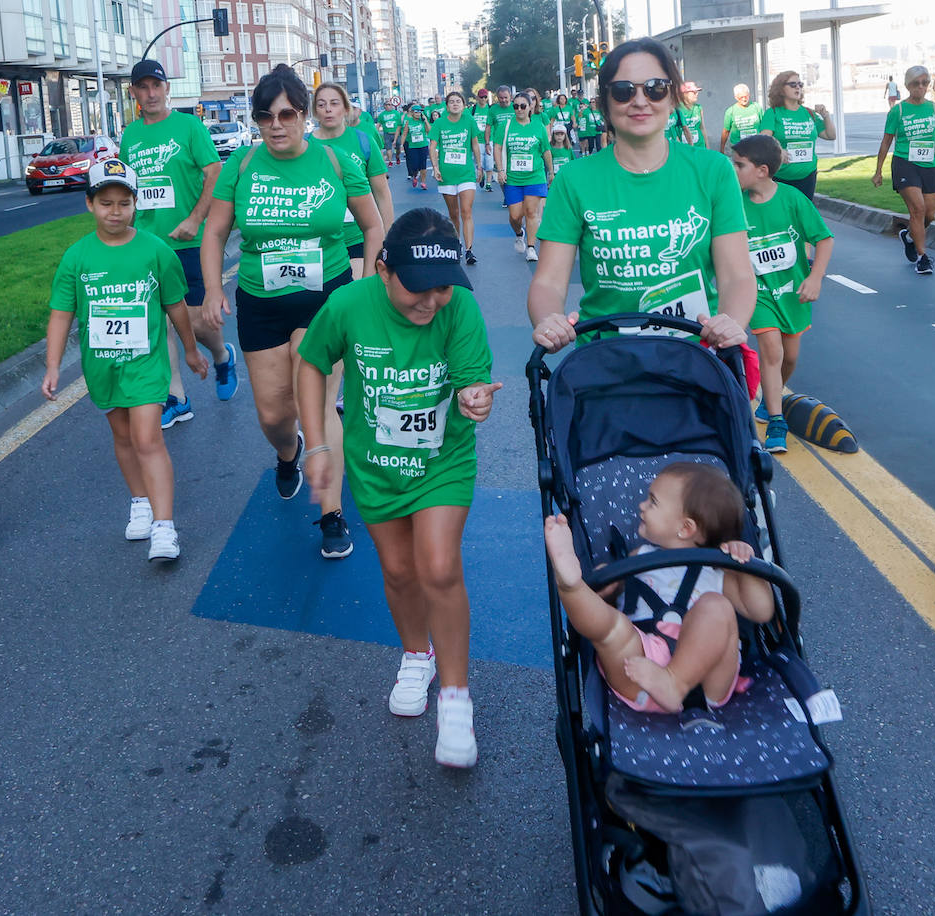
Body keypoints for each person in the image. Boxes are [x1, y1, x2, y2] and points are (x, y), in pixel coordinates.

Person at [296, 208, 500, 768]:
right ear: (383, 269)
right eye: (418, 288)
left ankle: (456, 698)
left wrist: (475, 400)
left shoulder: (460, 309)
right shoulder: (348, 305)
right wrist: (316, 444)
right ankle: (416, 656)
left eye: (442, 288)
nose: (431, 301)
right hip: (375, 463)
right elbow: (310, 363)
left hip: (442, 460)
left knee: (437, 565)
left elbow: (472, 384)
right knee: (399, 571)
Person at [200, 64, 383, 559]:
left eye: (287, 114)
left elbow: (373, 226)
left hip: (326, 297)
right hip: (261, 300)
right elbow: (215, 232)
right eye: (265, 116)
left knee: (318, 404)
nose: (276, 124)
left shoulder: (335, 160)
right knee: (275, 414)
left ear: (303, 115)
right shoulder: (241, 165)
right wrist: (214, 289)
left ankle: (330, 513)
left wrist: (364, 288)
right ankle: (288, 452)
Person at [529, 38, 755, 356]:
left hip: (695, 356)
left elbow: (737, 275)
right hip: (606, 359)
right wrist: (548, 320)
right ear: (605, 103)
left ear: (673, 98)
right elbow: (548, 282)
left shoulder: (714, 170)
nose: (639, 100)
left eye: (655, 88)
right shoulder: (574, 180)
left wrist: (730, 323)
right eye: (623, 91)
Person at [41, 160, 208, 561]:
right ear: (89, 204)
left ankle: (164, 527)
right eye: (105, 203)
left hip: (146, 363)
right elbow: (62, 314)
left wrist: (189, 348)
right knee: (122, 437)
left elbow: (176, 305)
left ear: (136, 204)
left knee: (148, 438)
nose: (114, 211)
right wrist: (51, 366)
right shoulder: (76, 257)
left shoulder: (156, 251)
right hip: (102, 365)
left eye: (123, 203)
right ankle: (140, 501)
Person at [542, 463, 774, 714]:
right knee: (613, 628)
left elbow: (761, 611)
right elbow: (608, 594)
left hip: (707, 678)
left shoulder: (718, 570)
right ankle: (571, 586)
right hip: (642, 664)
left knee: (717, 607)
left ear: (685, 528)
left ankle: (675, 682)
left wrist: (744, 567)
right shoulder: (639, 556)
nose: (641, 506)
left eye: (652, 502)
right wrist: (607, 586)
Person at [121, 58, 237, 433]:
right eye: (143, 87)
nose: (150, 93)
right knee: (159, 322)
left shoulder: (189, 127)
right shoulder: (130, 136)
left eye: (156, 85)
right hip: (149, 245)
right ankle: (177, 398)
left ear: (167, 88)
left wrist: (194, 220)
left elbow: (214, 174)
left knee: (199, 319)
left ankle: (221, 356)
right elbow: (128, 189)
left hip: (190, 242)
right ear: (135, 93)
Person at [730, 135, 834, 454]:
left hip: (791, 291)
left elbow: (824, 239)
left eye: (739, 165)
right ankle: (777, 421)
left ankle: (770, 395)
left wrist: (815, 278)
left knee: (789, 357)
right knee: (771, 350)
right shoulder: (733, 202)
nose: (733, 170)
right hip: (757, 292)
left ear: (762, 170)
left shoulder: (792, 199)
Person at [871, 65, 935, 276]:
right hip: (905, 163)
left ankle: (909, 236)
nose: (921, 87)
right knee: (918, 209)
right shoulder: (898, 111)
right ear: (907, 86)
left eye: (925, 82)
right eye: (916, 83)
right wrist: (878, 171)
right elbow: (886, 141)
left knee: (930, 213)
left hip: (930, 165)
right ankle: (923, 257)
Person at [312, 82, 395, 279]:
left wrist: (388, 235)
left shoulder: (363, 141)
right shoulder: (306, 145)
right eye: (321, 105)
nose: (328, 109)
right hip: (319, 241)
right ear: (315, 111)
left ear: (346, 108)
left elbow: (382, 192)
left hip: (360, 235)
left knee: (358, 296)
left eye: (334, 103)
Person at [758, 70, 835, 201]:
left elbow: (830, 135)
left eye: (800, 84)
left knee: (803, 216)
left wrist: (825, 115)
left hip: (808, 176)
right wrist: (778, 150)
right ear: (781, 89)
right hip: (781, 176)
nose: (798, 87)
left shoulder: (808, 113)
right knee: (784, 217)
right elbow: (764, 139)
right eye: (793, 84)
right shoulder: (773, 113)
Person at [495, 91, 553, 263]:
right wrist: (500, 170)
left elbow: (546, 151)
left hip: (535, 176)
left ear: (530, 107)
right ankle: (519, 234)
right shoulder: (505, 126)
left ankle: (531, 247)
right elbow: (498, 148)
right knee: (515, 216)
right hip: (513, 178)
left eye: (522, 106)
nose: (519, 109)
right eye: (516, 106)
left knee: (531, 212)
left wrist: (551, 171)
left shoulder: (539, 127)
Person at [427, 90, 482, 265]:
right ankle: (456, 243)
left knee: (466, 212)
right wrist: (435, 167)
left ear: (464, 104)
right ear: (447, 105)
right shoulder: (439, 123)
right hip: (447, 175)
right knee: (454, 213)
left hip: (466, 173)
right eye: (452, 102)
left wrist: (479, 166)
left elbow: (474, 144)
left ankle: (469, 250)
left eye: (458, 101)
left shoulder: (469, 120)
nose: (455, 104)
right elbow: (433, 147)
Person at [719, 83, 764, 152]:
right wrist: (722, 148)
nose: (744, 99)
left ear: (749, 95)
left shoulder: (756, 107)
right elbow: (726, 131)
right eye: (741, 97)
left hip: (756, 146)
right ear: (736, 97)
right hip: (739, 148)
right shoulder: (731, 111)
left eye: (746, 96)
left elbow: (764, 126)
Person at [470, 89, 497, 190]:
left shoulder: (490, 109)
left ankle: (488, 183)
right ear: (477, 98)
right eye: (481, 97)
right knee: (479, 162)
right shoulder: (472, 110)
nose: (483, 99)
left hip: (489, 140)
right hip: (476, 141)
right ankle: (482, 175)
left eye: (485, 97)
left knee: (489, 163)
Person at [400, 103, 432, 190]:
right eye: (416, 112)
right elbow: (404, 134)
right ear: (412, 113)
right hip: (412, 146)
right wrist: (401, 145)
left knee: (423, 165)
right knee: (414, 165)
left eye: (419, 112)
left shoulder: (423, 121)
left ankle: (423, 182)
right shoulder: (408, 122)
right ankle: (415, 176)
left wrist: (425, 121)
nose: (418, 114)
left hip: (423, 145)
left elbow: (429, 131)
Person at [676, 82, 708, 147]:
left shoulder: (698, 108)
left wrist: (707, 146)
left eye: (697, 92)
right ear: (685, 94)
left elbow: (702, 128)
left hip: (699, 146)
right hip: (684, 148)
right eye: (694, 92)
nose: (697, 94)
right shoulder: (677, 109)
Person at [376, 98, 404, 167]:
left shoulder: (396, 113)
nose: (390, 106)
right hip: (387, 133)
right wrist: (375, 131)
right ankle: (390, 161)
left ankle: (397, 156)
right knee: (388, 148)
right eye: (388, 104)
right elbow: (378, 124)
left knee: (398, 148)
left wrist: (397, 134)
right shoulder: (382, 115)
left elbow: (399, 125)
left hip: (396, 133)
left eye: (391, 104)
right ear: (385, 106)